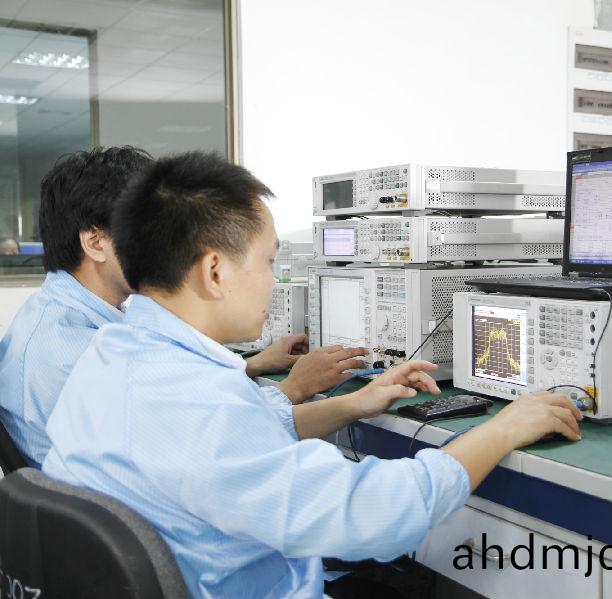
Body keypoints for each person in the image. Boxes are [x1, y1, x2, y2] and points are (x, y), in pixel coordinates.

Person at [42, 152, 582, 599]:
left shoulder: (111, 354)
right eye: (269, 262)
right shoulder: (202, 407)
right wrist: (502, 429)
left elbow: (229, 444)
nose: (273, 282)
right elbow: (377, 515)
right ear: (215, 271)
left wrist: (353, 403)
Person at [0, 147, 359, 468]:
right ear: (95, 243)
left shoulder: (56, 314)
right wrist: (293, 388)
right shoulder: (75, 352)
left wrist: (252, 364)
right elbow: (207, 439)